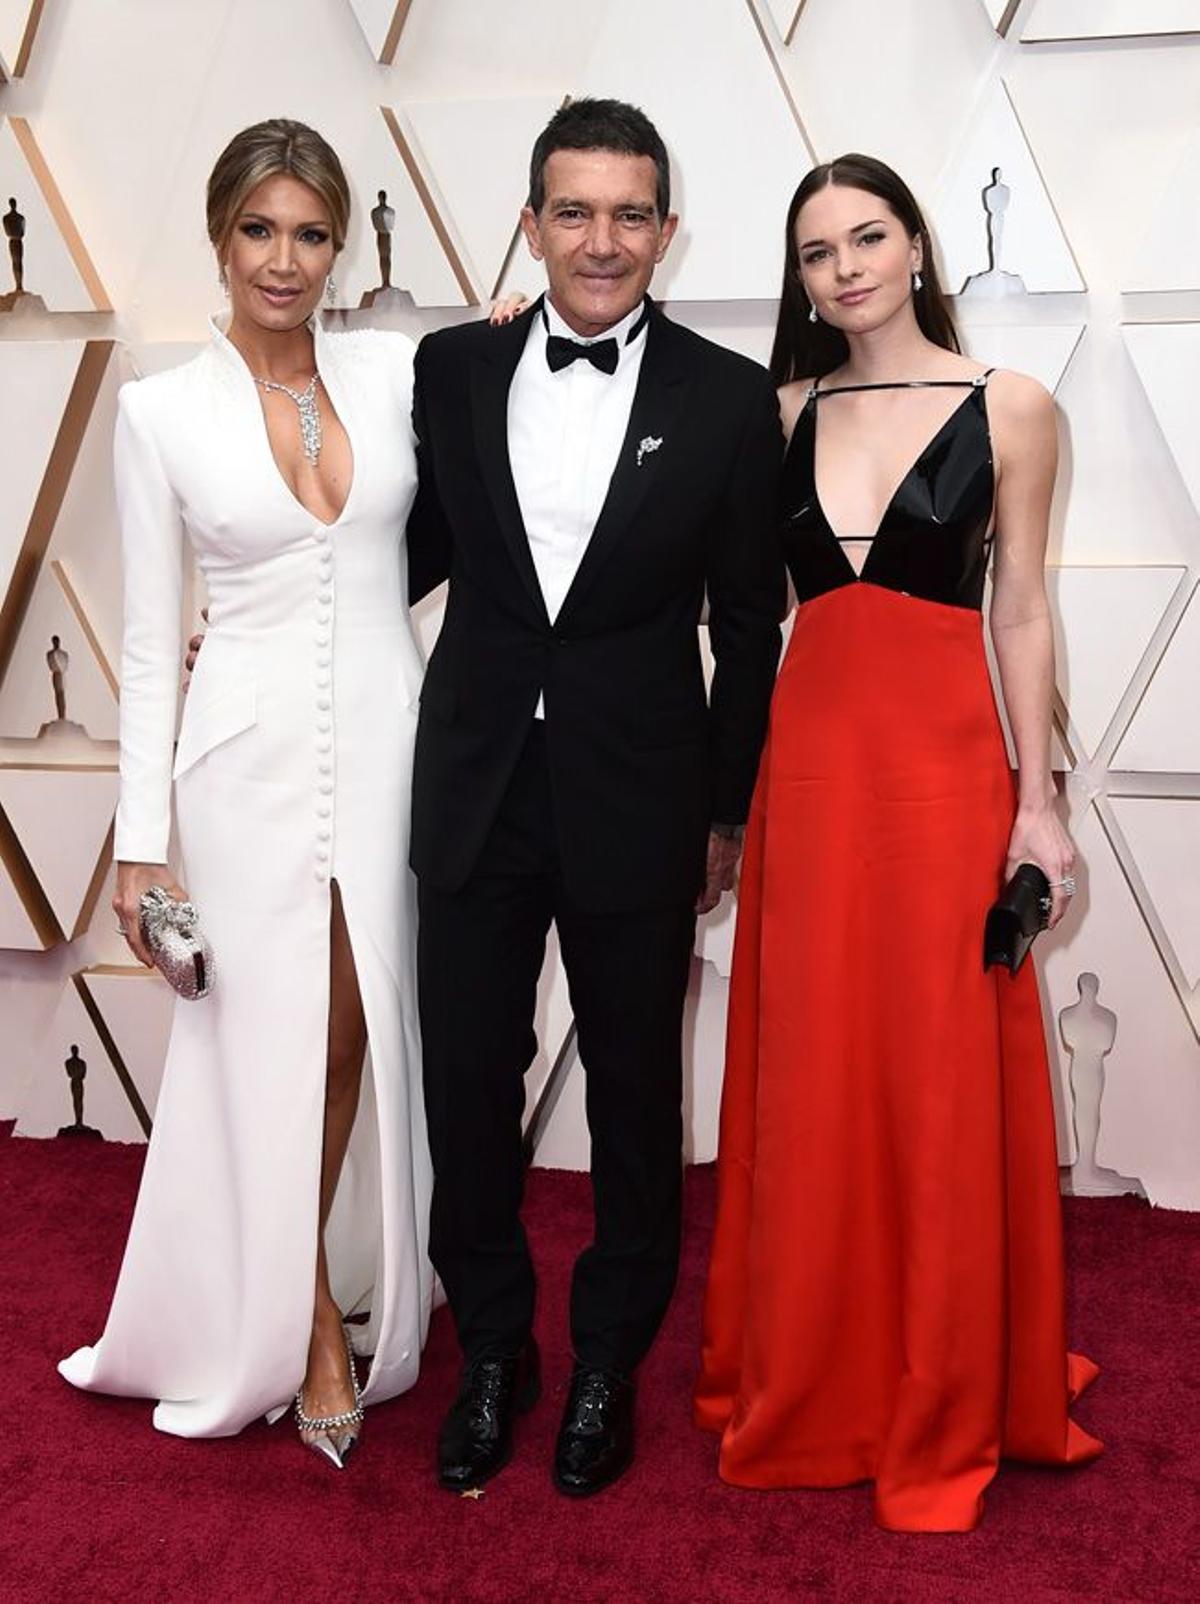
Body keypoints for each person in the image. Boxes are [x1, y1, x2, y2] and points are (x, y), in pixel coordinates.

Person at [694, 153, 1102, 1531]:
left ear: (918, 245)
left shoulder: (1014, 408)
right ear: (798, 279)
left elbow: (1024, 612)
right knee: (816, 1066)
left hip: (942, 780)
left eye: (869, 236)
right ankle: (816, 1368)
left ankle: (943, 1375)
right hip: (809, 777)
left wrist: (1035, 803)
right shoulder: (776, 411)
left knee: (933, 1076)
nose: (847, 266)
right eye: (818, 251)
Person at [406, 98, 784, 1498]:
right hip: (476, 787)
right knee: (468, 1084)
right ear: (530, 222)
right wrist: (256, 621)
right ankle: (495, 1350)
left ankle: (611, 1357)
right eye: (574, 211)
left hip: (642, 796)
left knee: (635, 1098)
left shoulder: (730, 398)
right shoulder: (450, 371)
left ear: (668, 232)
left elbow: (750, 626)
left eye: (631, 214)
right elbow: (406, 552)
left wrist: (727, 811)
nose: (603, 240)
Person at [58, 119, 434, 1467]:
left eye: (312, 233)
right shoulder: (160, 412)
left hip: (389, 751)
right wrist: (139, 848)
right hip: (242, 769)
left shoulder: (394, 375)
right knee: (260, 1041)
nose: (286, 260)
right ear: (220, 239)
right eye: (260, 231)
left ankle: (308, 1280)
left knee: (349, 1036)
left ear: (341, 244)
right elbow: (155, 644)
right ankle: (310, 1333)